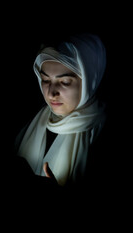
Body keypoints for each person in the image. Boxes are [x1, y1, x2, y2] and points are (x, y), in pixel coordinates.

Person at [11, 33, 110, 201]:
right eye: (45, 79)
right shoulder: (34, 120)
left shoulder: (106, 132)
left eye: (64, 82)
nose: (51, 93)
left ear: (88, 80)